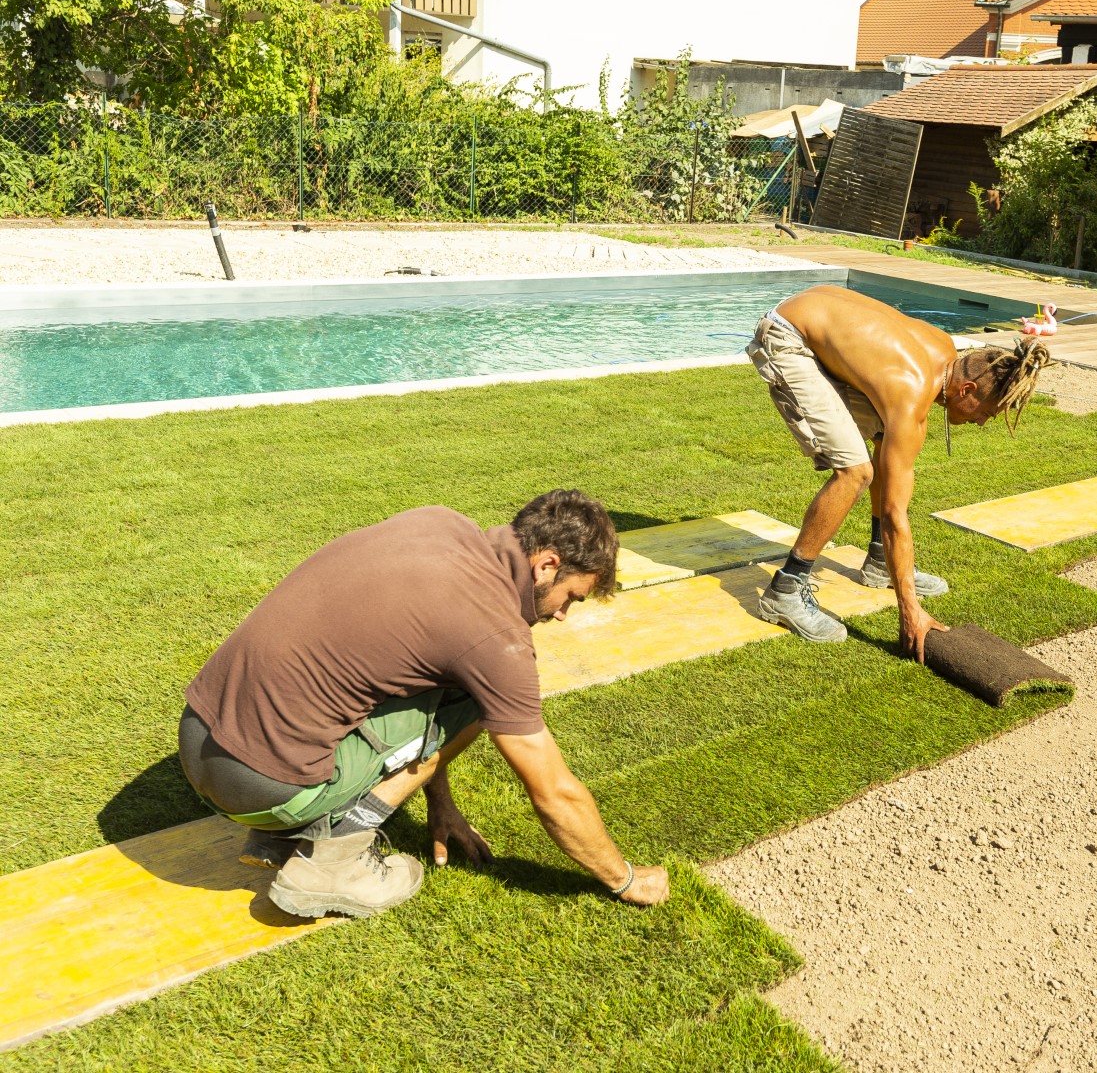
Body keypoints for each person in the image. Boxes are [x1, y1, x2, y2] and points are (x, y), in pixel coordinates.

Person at [178, 490, 669, 918]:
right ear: (546, 565)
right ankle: (333, 863)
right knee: (481, 702)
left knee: (455, 687)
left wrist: (442, 803)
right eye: (571, 598)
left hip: (198, 737)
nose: (562, 615)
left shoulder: (437, 521)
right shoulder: (497, 639)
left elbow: (424, 677)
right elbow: (555, 793)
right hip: (264, 790)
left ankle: (283, 838)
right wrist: (623, 878)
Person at [747, 285, 1051, 662]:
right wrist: (909, 609)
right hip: (787, 335)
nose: (981, 423)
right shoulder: (910, 393)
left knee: (881, 434)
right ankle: (786, 590)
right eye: (985, 413)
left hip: (809, 310)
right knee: (855, 471)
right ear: (966, 389)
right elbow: (895, 513)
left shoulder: (944, 352)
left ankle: (878, 561)